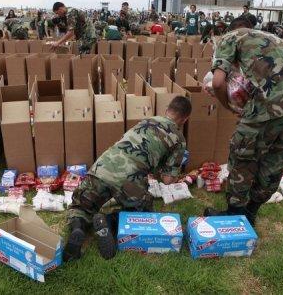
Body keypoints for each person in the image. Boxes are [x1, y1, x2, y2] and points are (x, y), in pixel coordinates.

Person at [203, 17, 283, 226]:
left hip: (270, 105)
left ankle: (234, 215)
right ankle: (251, 212)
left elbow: (217, 83)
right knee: (276, 158)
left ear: (231, 30)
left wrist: (230, 107)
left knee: (242, 155)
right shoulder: (273, 38)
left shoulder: (231, 38)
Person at [64, 96, 191, 261]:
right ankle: (109, 222)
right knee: (141, 214)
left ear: (167, 110)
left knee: (81, 205)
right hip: (129, 181)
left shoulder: (146, 120)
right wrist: (170, 170)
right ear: (185, 118)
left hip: (101, 168)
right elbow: (167, 180)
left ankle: (78, 228)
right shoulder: (179, 140)